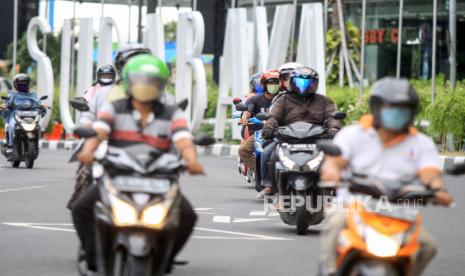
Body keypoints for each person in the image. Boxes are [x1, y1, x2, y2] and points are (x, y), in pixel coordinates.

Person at [72, 54, 204, 275]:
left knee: (188, 216)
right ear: (129, 82)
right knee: (81, 209)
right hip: (117, 176)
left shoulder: (172, 112)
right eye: (140, 81)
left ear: (161, 84)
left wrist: (192, 161)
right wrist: (87, 151)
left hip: (160, 179)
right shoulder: (114, 108)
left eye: (151, 82)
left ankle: (166, 258)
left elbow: (183, 138)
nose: (145, 87)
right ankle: (94, 259)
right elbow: (99, 131)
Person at [318, 77, 453, 276]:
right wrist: (333, 173)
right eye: (391, 107)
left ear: (412, 112)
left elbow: (430, 173)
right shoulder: (354, 134)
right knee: (336, 224)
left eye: (403, 109)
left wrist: (438, 189)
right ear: (377, 107)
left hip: (399, 211)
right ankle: (330, 270)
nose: (397, 113)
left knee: (428, 246)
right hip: (354, 206)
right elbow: (335, 162)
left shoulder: (420, 143)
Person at [257, 66, 340, 198]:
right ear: (293, 82)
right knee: (268, 154)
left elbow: (332, 118)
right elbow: (274, 117)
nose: (304, 87)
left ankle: (335, 190)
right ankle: (270, 186)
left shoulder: (324, 101)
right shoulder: (283, 100)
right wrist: (268, 128)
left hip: (317, 139)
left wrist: (334, 129)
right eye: (300, 82)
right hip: (288, 139)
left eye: (308, 83)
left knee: (336, 156)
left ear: (315, 84)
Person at [67, 65, 117, 210]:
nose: (106, 79)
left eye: (109, 76)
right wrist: (86, 126)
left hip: (118, 131)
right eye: (104, 76)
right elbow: (86, 109)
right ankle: (79, 196)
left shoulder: (122, 91)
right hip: (96, 130)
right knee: (84, 164)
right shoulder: (94, 90)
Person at [238, 69, 279, 173]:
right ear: (265, 85)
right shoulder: (255, 99)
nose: (273, 85)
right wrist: (245, 118)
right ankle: (260, 171)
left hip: (281, 131)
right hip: (261, 132)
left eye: (276, 83)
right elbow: (247, 111)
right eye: (270, 83)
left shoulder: (284, 99)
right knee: (243, 150)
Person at [0, 74, 46, 154]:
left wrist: (42, 105)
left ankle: (36, 145)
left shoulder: (33, 94)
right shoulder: (12, 95)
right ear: (15, 84)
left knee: (38, 127)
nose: (22, 85)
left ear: (28, 84)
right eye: (20, 83)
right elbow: (6, 103)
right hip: (15, 115)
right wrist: (5, 105)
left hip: (31, 115)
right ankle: (10, 145)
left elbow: (38, 102)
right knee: (11, 125)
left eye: (24, 83)